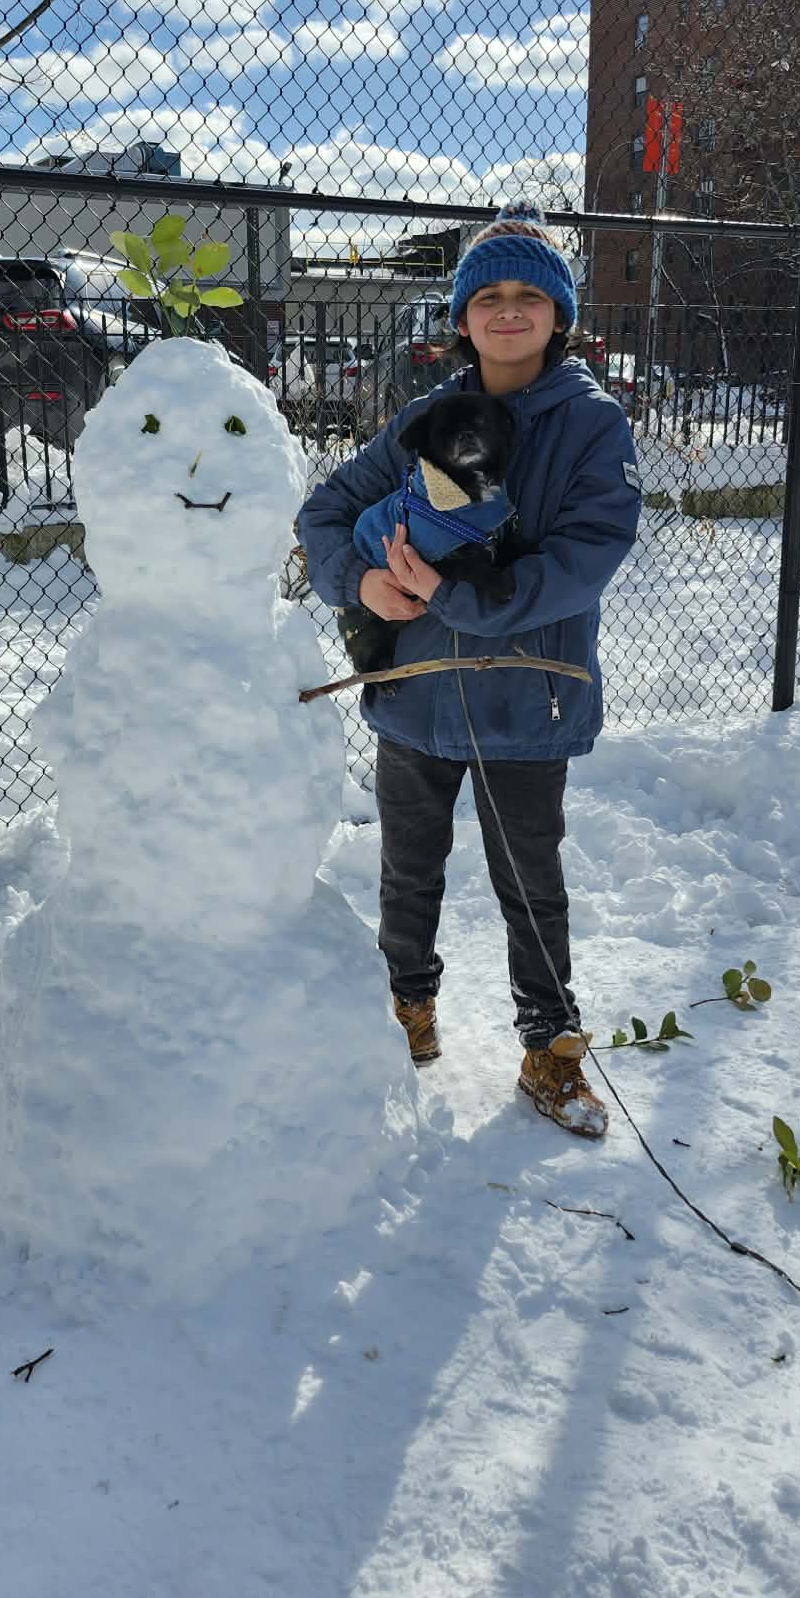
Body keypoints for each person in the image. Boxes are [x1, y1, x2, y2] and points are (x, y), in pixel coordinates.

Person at [297, 203, 642, 1138]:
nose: (507, 309)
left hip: (526, 702)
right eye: (487, 294)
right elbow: (324, 512)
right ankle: (405, 1009)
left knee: (529, 878)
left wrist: (457, 597)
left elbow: (584, 559)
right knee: (408, 870)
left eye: (530, 293)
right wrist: (365, 583)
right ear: (460, 316)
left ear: (561, 314)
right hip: (414, 700)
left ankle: (551, 1044)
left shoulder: (591, 428)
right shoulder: (423, 418)